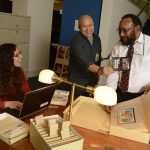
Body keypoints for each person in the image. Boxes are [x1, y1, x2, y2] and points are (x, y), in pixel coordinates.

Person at [106, 14, 150, 103]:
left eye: (125, 30)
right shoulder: (118, 46)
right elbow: (113, 72)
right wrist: (109, 95)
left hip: (143, 96)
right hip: (120, 94)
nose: (121, 34)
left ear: (137, 28)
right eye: (120, 30)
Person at [68, 15, 113, 97]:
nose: (88, 29)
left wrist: (97, 74)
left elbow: (98, 58)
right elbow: (86, 63)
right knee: (76, 105)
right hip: (78, 82)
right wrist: (100, 70)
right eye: (84, 27)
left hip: (92, 81)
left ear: (93, 25)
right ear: (79, 27)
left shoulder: (97, 39)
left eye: (90, 25)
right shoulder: (75, 41)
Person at [0, 43, 30, 115]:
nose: (21, 56)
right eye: (17, 55)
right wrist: (6, 104)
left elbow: (27, 92)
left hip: (10, 108)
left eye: (20, 53)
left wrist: (32, 99)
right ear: (7, 58)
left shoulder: (18, 71)